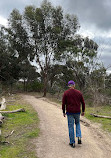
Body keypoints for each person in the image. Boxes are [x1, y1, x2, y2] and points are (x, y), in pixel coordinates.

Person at [62, 80, 85, 148]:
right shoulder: (79, 93)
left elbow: (63, 103)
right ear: (74, 85)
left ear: (69, 86)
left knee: (71, 126)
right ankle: (79, 137)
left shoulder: (66, 93)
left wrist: (63, 112)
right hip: (77, 112)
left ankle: (72, 143)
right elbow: (83, 102)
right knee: (77, 123)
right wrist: (83, 111)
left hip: (69, 112)